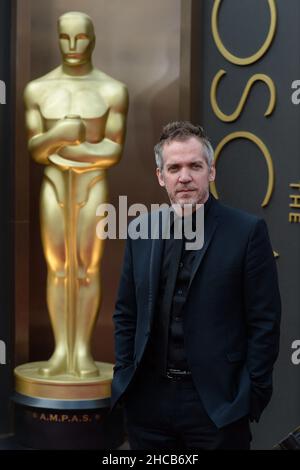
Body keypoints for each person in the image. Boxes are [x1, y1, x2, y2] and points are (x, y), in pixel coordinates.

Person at [112, 121, 281, 449]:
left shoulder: (247, 232)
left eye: (195, 166)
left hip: (216, 407)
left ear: (211, 171)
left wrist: (248, 397)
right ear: (161, 176)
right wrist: (124, 376)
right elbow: (126, 313)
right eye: (174, 167)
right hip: (147, 406)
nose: (184, 176)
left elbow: (265, 322)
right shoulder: (140, 230)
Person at [24, 11, 128, 378]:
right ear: (56, 39)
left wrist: (61, 149)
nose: (72, 47)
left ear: (93, 38)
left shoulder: (112, 90)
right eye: (64, 38)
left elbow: (112, 151)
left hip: (92, 186)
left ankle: (81, 350)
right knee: (58, 269)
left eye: (80, 38)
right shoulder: (38, 89)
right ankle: (60, 351)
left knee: (86, 268)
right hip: (54, 186)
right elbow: (36, 150)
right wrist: (63, 135)